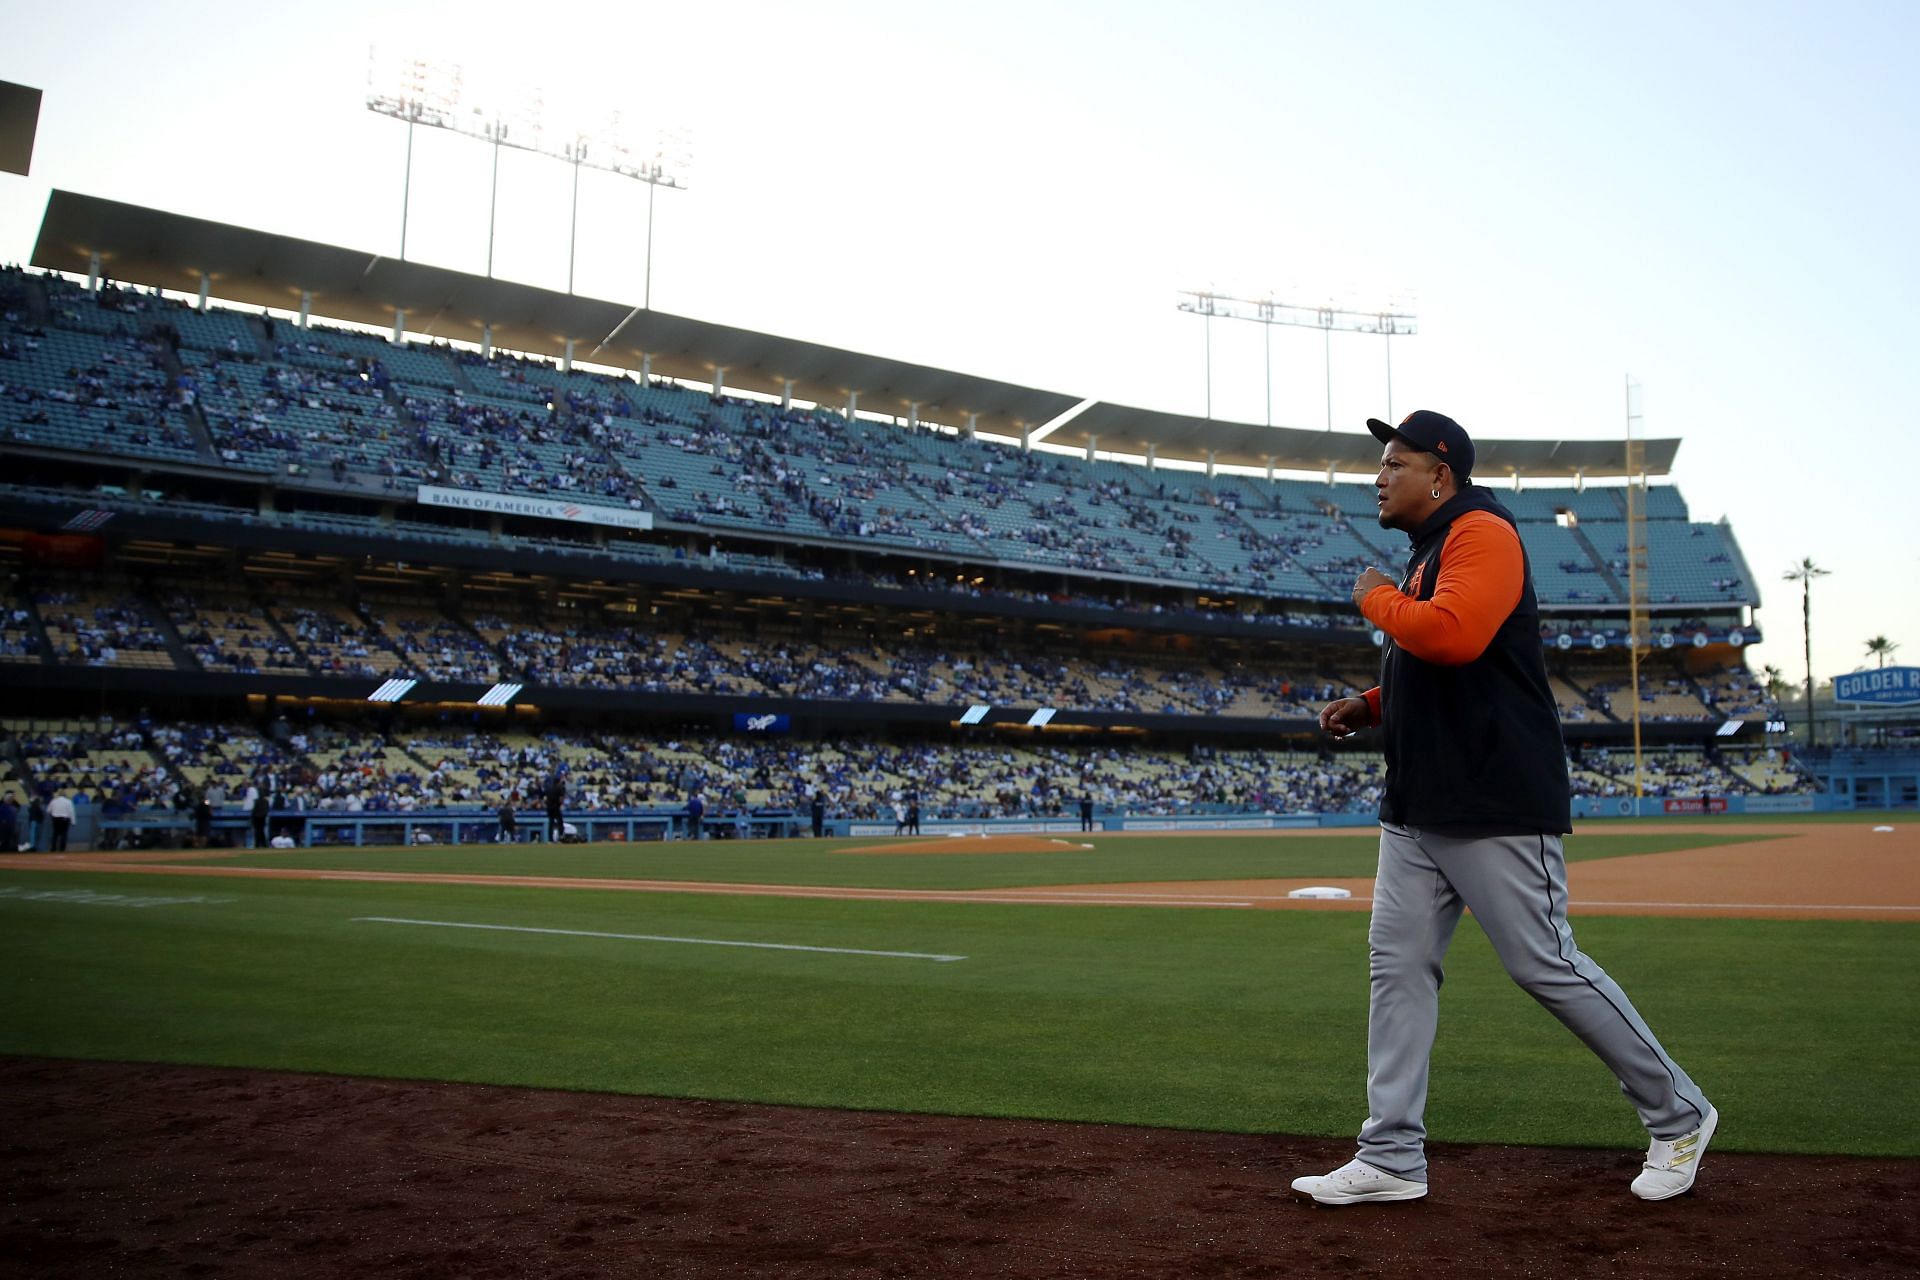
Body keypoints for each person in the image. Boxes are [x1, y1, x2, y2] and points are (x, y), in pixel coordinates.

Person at [1293, 411, 1716, 1208]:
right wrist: (1375, 702)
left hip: (1493, 798)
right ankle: (1390, 1157)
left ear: (1440, 475)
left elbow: (1452, 637)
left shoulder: (1481, 531)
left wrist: (1376, 600)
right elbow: (1450, 672)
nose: (1378, 477)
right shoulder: (1431, 549)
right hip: (1418, 802)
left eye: (1395, 463)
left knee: (1544, 964)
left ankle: (1681, 1115)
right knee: (1398, 972)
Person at [543, 774, 564, 843]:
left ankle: (550, 839)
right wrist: (560, 804)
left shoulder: (549, 788)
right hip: (556, 807)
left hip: (549, 807)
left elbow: (545, 798)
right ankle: (561, 837)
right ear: (558, 781)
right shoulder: (559, 787)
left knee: (551, 823)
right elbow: (561, 798)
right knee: (560, 822)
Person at [249, 784, 270, 849]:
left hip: (257, 818)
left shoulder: (257, 801)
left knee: (258, 831)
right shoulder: (266, 801)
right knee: (261, 831)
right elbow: (267, 810)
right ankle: (263, 844)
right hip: (262, 817)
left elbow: (254, 811)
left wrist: (252, 818)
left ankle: (258, 844)